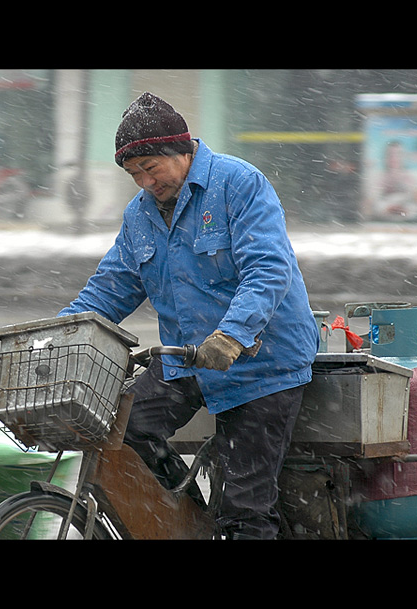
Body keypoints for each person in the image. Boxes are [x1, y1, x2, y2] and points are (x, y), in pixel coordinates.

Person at [58, 92, 319, 539]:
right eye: (133, 174)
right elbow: (112, 286)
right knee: (124, 429)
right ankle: (191, 517)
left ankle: (231, 523)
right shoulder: (140, 215)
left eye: (150, 169)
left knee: (245, 507)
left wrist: (232, 335)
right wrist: (61, 333)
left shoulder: (238, 183)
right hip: (187, 358)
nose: (144, 183)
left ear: (182, 151)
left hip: (262, 362)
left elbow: (268, 268)